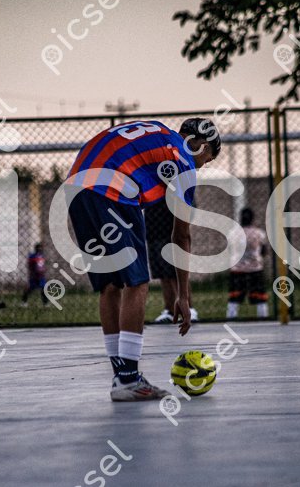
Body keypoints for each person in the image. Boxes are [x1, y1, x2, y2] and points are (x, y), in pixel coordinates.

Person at [66, 118, 219, 401]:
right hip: (112, 188)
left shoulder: (158, 132)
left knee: (110, 284)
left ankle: (122, 377)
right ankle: (128, 379)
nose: (201, 167)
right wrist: (184, 296)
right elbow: (181, 237)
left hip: (76, 185)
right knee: (136, 282)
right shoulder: (184, 161)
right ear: (204, 147)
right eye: (206, 161)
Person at [146, 200, 199, 324]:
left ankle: (189, 308)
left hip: (169, 229)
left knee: (175, 271)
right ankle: (169, 310)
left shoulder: (176, 191)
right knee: (162, 272)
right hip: (154, 228)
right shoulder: (151, 190)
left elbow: (189, 204)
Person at [226, 207, 270, 319]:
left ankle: (231, 318)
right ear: (252, 219)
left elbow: (230, 250)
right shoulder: (259, 233)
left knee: (234, 297)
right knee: (260, 297)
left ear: (240, 218)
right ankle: (263, 318)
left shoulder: (233, 233)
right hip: (255, 269)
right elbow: (264, 251)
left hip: (237, 270)